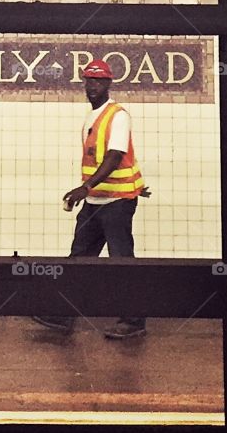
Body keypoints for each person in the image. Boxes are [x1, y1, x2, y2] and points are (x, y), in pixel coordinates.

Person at [33, 58, 150, 339]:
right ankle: (64, 316)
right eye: (89, 80)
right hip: (96, 202)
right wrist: (88, 192)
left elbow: (115, 156)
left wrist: (84, 187)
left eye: (98, 81)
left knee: (121, 261)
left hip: (117, 202)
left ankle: (134, 321)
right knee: (79, 260)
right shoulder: (92, 116)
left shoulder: (118, 115)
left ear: (108, 83)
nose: (92, 85)